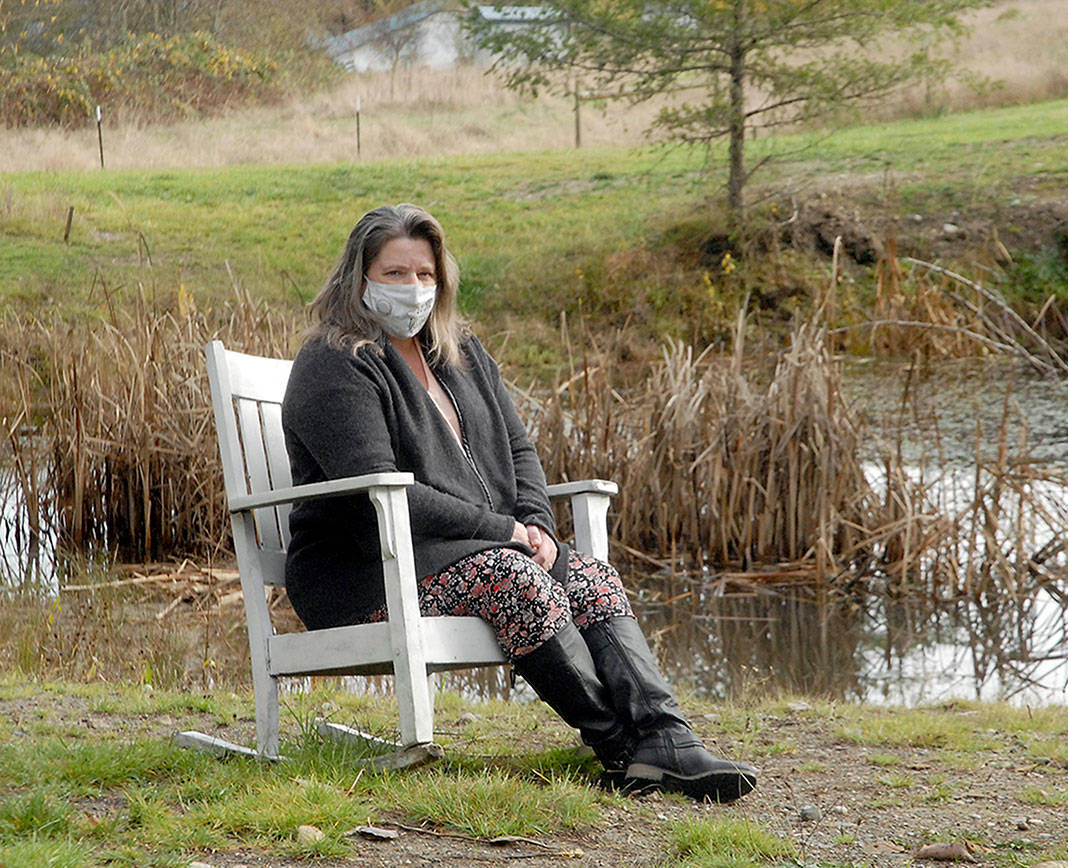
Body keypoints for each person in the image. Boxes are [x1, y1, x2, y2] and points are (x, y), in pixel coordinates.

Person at [281, 203, 757, 802]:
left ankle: (666, 736)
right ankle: (619, 747)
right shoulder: (335, 363)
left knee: (587, 576)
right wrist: (502, 530)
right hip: (366, 575)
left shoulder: (460, 352)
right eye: (395, 274)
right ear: (359, 278)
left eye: (425, 275)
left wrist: (535, 523)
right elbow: (379, 489)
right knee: (510, 576)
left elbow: (518, 447)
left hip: (471, 553)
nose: (413, 289)